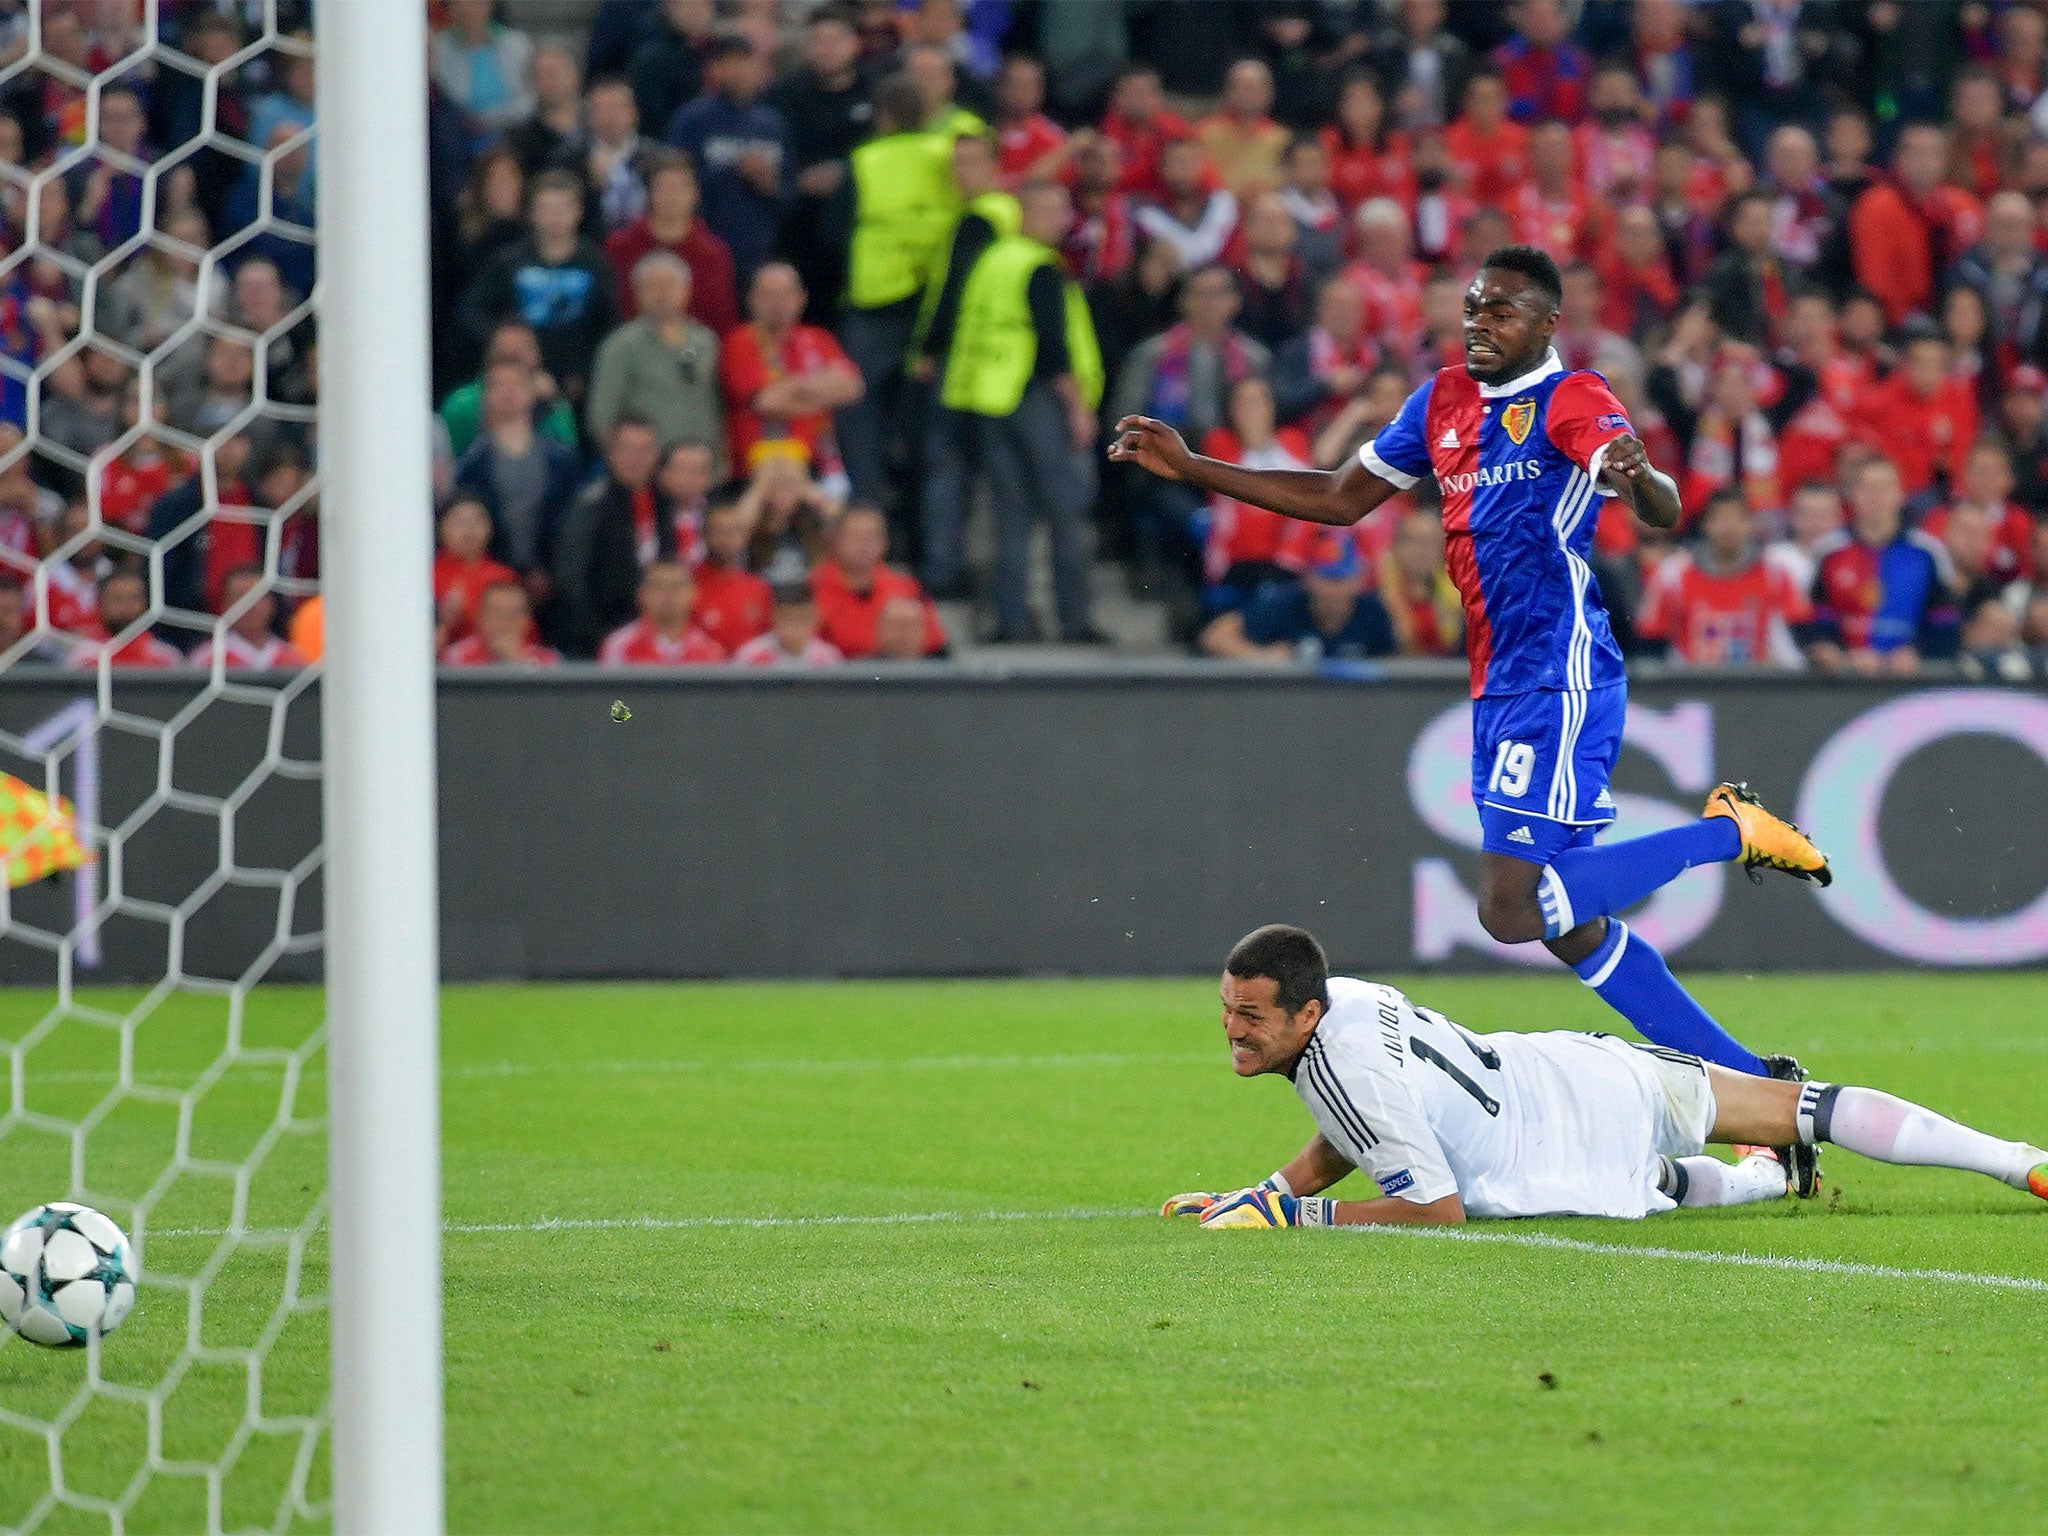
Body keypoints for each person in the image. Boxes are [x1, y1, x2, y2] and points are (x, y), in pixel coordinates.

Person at [1112, 244, 1831, 1099]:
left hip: (1557, 672)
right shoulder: (1443, 400)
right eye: (1472, 311)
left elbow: (1662, 505)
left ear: (1549, 323)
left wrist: (1637, 478)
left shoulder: (1573, 398)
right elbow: (1342, 497)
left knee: (1511, 910)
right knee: (1571, 926)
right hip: (1499, 679)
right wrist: (1196, 469)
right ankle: (1755, 1086)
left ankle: (1730, 832)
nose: (1480, 325)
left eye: (1502, 313)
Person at [1168, 925, 2048, 1228]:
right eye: (1228, 1009)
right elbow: (1361, 1134)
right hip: (1579, 1074)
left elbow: (1432, 1210)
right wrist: (1258, 1190)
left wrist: (1294, 1212)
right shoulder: (1343, 998)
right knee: (1799, 1106)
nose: (1233, 1033)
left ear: (1304, 1016)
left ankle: (1764, 1178)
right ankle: (2017, 1160)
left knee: (1666, 1178)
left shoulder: (1345, 1069)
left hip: (1550, 1162)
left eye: (1250, 1018)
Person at [943, 179, 1105, 644]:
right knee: (1066, 510)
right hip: (1036, 399)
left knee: (1011, 515)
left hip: (991, 398)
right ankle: (1074, 621)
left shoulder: (993, 260)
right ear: (1026, 214)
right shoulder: (1038, 266)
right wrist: (1077, 408)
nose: (1061, 220)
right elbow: (1054, 349)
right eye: (1051, 209)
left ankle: (1009, 622)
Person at [832, 74, 960, 508]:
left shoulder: (865, 159)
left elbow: (835, 231)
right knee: (930, 425)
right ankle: (929, 545)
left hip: (874, 305)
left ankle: (869, 518)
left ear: (882, 117)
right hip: (936, 304)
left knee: (861, 418)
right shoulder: (948, 155)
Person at [461, 169, 619, 407]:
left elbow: (609, 322)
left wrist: (584, 372)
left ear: (578, 212)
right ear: (532, 213)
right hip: (516, 377)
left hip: (579, 385)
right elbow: (472, 312)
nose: (555, 218)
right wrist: (505, 349)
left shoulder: (594, 262)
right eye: (546, 209)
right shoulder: (508, 261)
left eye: (563, 208)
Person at [1803, 456, 1959, 675]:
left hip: (1910, 681)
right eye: (1867, 488)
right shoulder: (1828, 551)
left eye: (1884, 488)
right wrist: (1838, 652)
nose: (1876, 496)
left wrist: (1916, 651)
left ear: (1900, 494)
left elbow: (1944, 621)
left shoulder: (1927, 552)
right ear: (1853, 494)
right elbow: (1815, 616)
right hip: (1844, 680)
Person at [1635, 488, 1810, 666]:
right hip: (1692, 686)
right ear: (1706, 524)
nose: (1729, 527)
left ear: (1751, 523)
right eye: (1719, 518)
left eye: (1738, 518)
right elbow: (1651, 641)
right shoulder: (1673, 575)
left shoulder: (1776, 574)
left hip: (1758, 685)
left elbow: (1803, 632)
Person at [664, 31, 787, 282]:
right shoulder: (692, 118)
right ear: (715, 69)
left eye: (745, 61)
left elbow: (788, 188)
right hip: (703, 245)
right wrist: (735, 170)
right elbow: (672, 182)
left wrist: (770, 184)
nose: (738, 70)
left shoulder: (773, 123)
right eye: (730, 62)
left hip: (759, 249)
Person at [551, 416, 672, 657]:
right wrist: (599, 636)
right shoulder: (590, 505)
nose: (635, 459)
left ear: (655, 455)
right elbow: (571, 578)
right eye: (627, 449)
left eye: (644, 449)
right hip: (599, 640)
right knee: (617, 698)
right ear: (610, 454)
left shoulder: (663, 502)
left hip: (654, 638)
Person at [585, 252, 724, 458]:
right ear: (637, 293)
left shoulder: (705, 341)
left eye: (669, 285)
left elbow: (719, 406)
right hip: (647, 470)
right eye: (651, 286)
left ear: (687, 289)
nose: (661, 294)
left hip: (701, 469)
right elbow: (602, 417)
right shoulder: (620, 346)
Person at [1199, 531, 1392, 662]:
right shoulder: (1285, 603)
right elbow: (1215, 636)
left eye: (1341, 580)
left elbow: (1397, 662)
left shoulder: (1373, 613)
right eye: (1325, 579)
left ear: (1359, 580)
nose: (1333, 590)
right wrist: (1261, 657)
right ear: (1308, 577)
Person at [604, 153, 741, 333]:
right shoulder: (620, 247)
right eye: (663, 188)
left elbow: (721, 318)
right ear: (650, 194)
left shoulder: (713, 254)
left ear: (695, 194)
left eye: (679, 188)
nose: (672, 197)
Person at [811, 503, 946, 659]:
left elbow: (935, 647)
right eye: (854, 535)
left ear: (885, 542)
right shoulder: (811, 589)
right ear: (834, 540)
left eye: (872, 536)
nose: (864, 544)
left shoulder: (906, 588)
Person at [433, 495, 520, 653]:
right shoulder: (426, 576)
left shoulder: (504, 577)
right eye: (458, 521)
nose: (469, 528)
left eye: (477, 521)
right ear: (441, 527)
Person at [690, 489, 774, 653]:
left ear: (746, 535)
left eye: (734, 530)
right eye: (718, 530)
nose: (726, 538)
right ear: (703, 534)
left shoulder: (759, 589)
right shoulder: (688, 585)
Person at [599, 560, 727, 664]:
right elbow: (611, 695)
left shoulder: (712, 651)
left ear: (694, 594)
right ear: (641, 594)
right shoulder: (619, 646)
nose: (668, 594)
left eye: (677, 586)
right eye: (658, 587)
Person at [189, 567, 306, 670]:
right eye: (240, 596)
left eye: (257, 596)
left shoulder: (294, 660)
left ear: (272, 603)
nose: (250, 606)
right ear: (225, 605)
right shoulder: (206, 659)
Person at [69, 571, 184, 669]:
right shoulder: (82, 659)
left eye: (134, 598)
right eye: (117, 599)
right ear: (99, 604)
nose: (126, 606)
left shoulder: (167, 659)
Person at [441, 580, 561, 666]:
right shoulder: (455, 659)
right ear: (481, 617)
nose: (505, 621)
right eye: (497, 611)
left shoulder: (549, 661)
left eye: (514, 613)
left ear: (527, 621)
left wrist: (515, 659)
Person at [733, 582, 845, 666]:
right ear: (774, 617)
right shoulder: (751, 655)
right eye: (787, 618)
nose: (794, 627)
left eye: (801, 619)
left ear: (815, 619)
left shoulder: (829, 658)